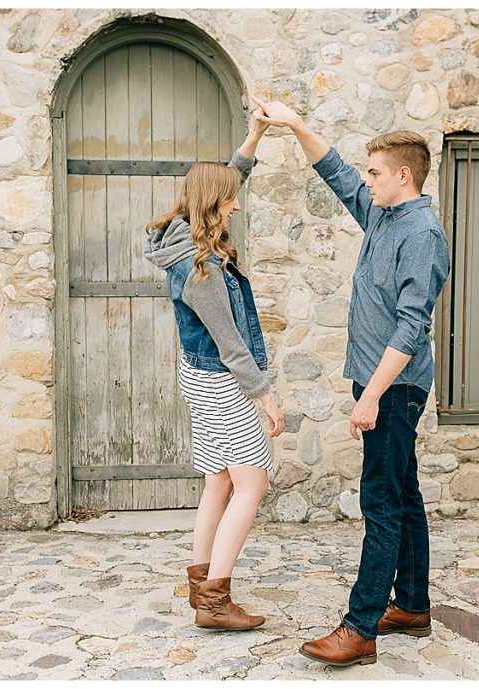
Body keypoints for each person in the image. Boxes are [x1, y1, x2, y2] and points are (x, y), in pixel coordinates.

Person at [254, 96, 450, 666]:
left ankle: (360, 627)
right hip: (378, 384)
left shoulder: (421, 234)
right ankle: (411, 605)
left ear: (403, 175)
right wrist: (294, 125)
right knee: (404, 492)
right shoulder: (384, 215)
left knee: (381, 502)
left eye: (376, 172)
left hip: (394, 388)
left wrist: (371, 395)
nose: (367, 180)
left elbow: (413, 324)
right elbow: (336, 173)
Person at [143, 111, 285, 632]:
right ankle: (216, 601)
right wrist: (265, 397)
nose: (237, 203)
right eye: (230, 200)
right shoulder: (200, 268)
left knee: (219, 483)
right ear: (211, 205)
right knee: (252, 484)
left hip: (197, 378)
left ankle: (200, 585)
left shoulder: (181, 237)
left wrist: (255, 135)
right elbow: (230, 342)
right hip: (223, 383)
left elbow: (230, 175)